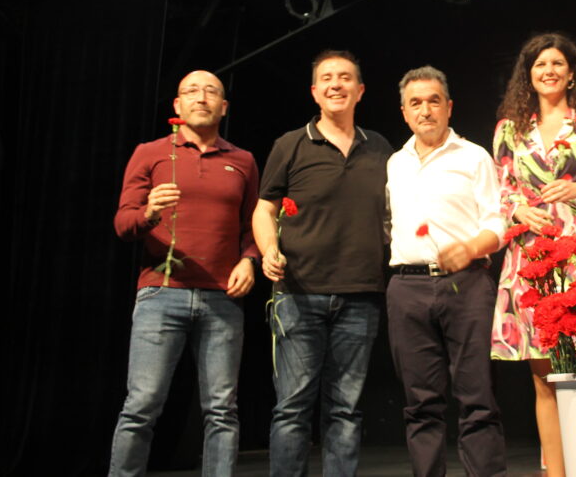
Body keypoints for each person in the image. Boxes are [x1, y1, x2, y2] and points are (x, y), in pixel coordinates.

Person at [490, 32, 576, 477]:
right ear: (528, 75)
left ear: (571, 74)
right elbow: (500, 193)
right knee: (545, 378)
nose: (548, 71)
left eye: (556, 64)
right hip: (531, 261)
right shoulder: (509, 128)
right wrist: (518, 210)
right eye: (539, 65)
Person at [109, 70, 260, 477]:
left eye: (211, 91)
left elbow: (253, 226)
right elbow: (123, 224)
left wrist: (249, 260)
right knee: (141, 405)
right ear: (177, 105)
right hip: (162, 294)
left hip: (222, 298)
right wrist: (149, 212)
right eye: (191, 91)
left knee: (222, 410)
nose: (201, 97)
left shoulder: (243, 160)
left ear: (223, 107)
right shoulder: (151, 153)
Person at [253, 50, 392, 477]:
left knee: (345, 409)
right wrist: (268, 250)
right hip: (298, 292)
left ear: (360, 90)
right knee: (292, 407)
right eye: (327, 78)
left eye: (345, 77)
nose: (336, 84)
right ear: (315, 92)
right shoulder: (290, 144)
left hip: (361, 294)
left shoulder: (380, 147)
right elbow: (264, 208)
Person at [386, 66, 507, 477]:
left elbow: (497, 225)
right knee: (420, 403)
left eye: (433, 101)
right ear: (404, 112)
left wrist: (470, 248)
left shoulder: (474, 157)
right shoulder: (395, 163)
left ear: (449, 107)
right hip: (407, 287)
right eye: (415, 103)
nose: (425, 110)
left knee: (477, 397)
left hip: (466, 284)